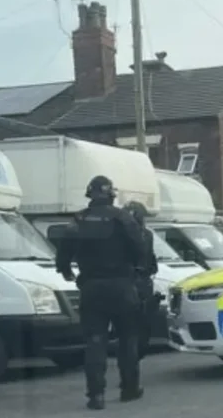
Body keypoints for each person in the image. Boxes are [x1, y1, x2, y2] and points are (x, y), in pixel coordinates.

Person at [55, 175, 146, 411]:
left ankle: (96, 396)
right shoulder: (123, 218)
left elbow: (64, 251)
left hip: (92, 288)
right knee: (128, 339)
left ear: (90, 195)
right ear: (111, 195)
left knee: (95, 341)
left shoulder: (79, 219)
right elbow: (140, 247)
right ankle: (129, 389)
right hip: (122, 286)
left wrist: (65, 271)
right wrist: (137, 271)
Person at [123, 201, 160, 359]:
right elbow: (151, 261)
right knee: (143, 321)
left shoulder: (120, 234)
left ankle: (132, 353)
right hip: (142, 282)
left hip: (127, 282)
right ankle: (138, 352)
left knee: (128, 323)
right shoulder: (147, 235)